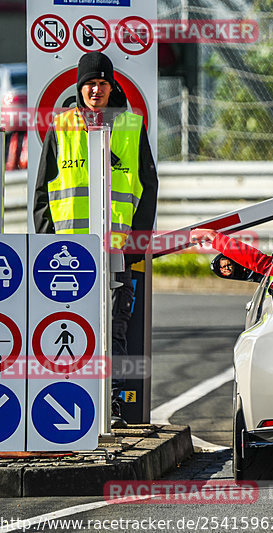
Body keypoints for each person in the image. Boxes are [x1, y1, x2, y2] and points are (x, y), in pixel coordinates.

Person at [33, 52, 158, 424]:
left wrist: (139, 243)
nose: (96, 89)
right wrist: (45, 246)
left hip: (116, 252)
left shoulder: (132, 127)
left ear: (111, 86)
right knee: (69, 327)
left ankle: (112, 403)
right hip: (67, 257)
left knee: (114, 329)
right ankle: (73, 404)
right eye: (90, 83)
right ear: (79, 87)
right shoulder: (61, 126)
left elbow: (147, 189)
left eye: (102, 83)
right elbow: (43, 193)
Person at [190, 228, 273, 275]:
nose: (227, 268)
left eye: (228, 265)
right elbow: (264, 264)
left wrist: (213, 236)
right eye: (224, 267)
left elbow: (264, 265)